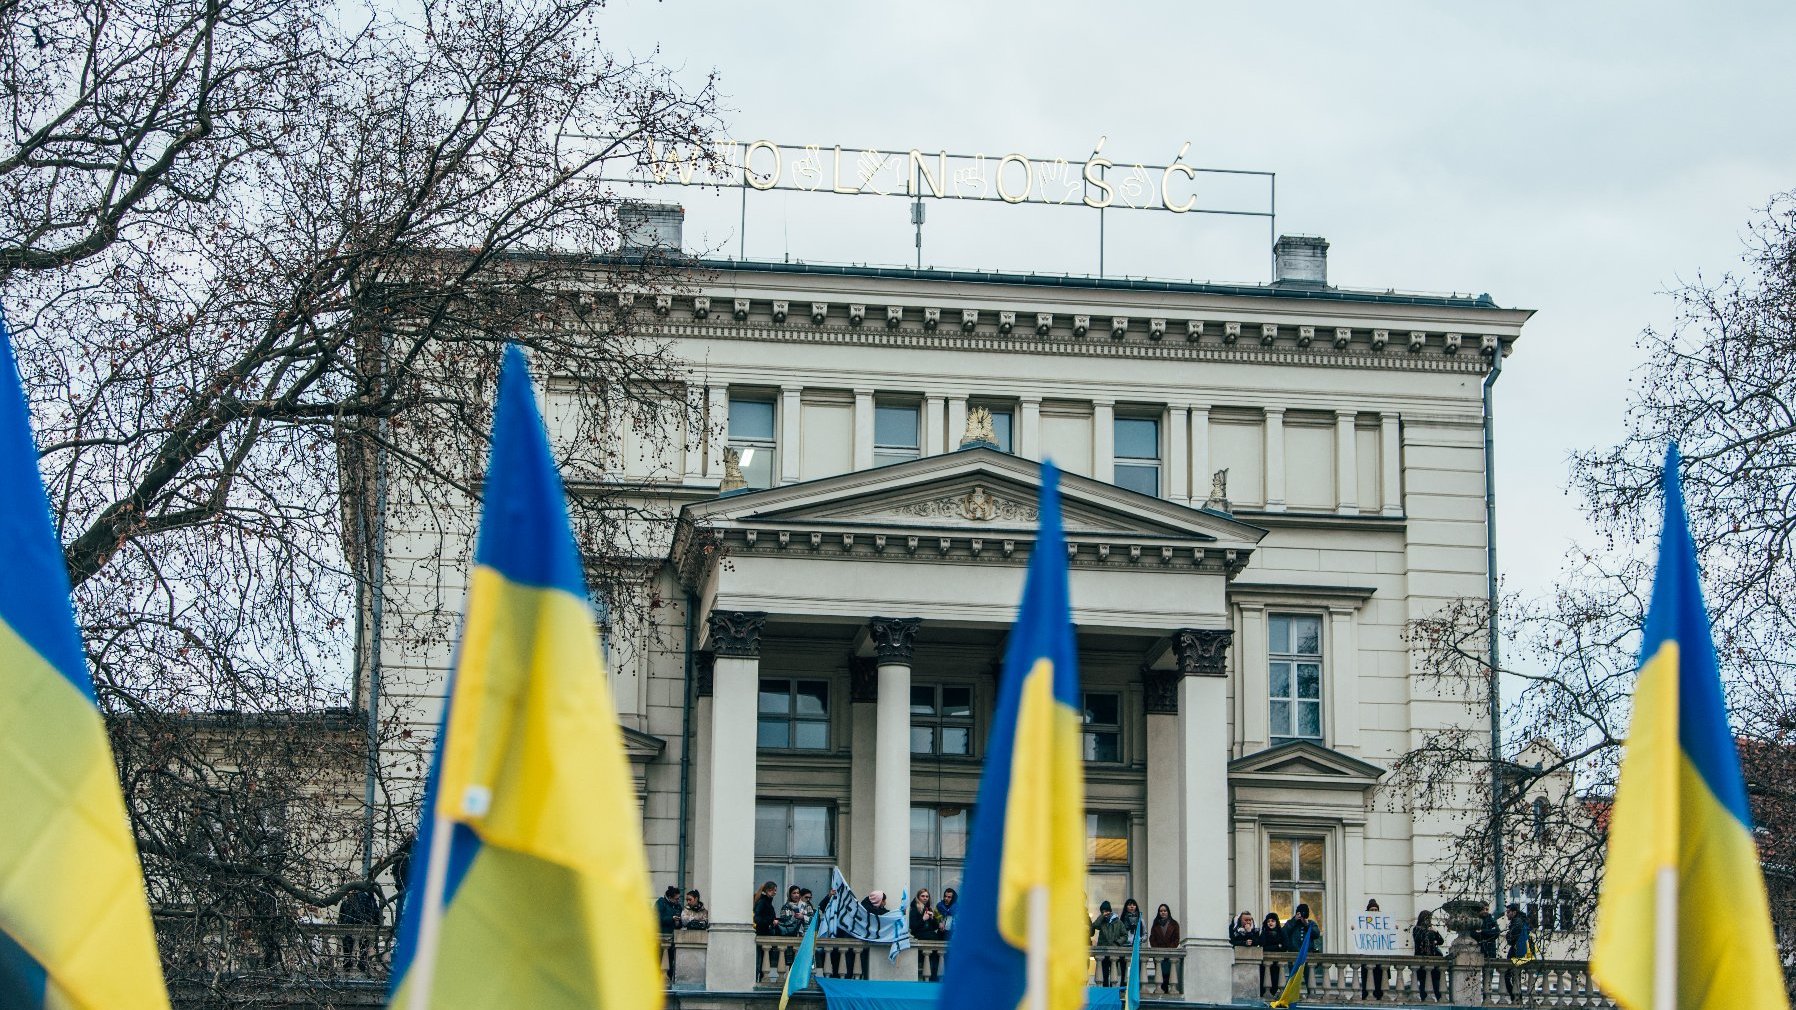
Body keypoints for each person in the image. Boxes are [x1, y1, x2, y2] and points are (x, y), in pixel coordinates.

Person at [337, 885, 380, 973]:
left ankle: (350, 969)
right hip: (364, 934)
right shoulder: (370, 900)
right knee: (362, 957)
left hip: (350, 934)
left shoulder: (349, 901)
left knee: (349, 958)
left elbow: (341, 921)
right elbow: (376, 919)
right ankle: (362, 969)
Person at [1411, 909, 1445, 1002]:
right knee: (1423, 982)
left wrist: (1435, 932)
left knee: (1436, 983)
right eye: (1427, 918)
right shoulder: (1417, 929)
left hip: (1433, 959)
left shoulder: (1431, 929)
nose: (1428, 921)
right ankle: (1424, 1000)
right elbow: (1420, 939)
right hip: (1422, 960)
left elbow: (1441, 941)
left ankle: (1439, 999)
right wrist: (1431, 934)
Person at [1503, 902, 1534, 998]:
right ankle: (1517, 996)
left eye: (1508, 912)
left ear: (1514, 912)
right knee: (1515, 975)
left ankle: (1515, 997)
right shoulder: (1521, 920)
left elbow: (1510, 939)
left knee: (1508, 975)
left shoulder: (1517, 922)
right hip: (1522, 950)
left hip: (1516, 951)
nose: (1507, 914)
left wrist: (1508, 935)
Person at [1151, 904, 1183, 993]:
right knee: (1159, 974)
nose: (1163, 912)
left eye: (1165, 911)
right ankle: (1161, 989)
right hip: (1158, 953)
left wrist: (1169, 949)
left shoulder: (1174, 924)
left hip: (1169, 953)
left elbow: (1177, 939)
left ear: (1168, 912)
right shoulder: (1155, 923)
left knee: (1168, 975)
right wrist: (1157, 948)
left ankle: (1165, 990)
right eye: (1161, 911)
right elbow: (1152, 938)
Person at [1360, 898, 1385, 1001]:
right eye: (1372, 910)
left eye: (1376, 910)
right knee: (1367, 982)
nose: (1374, 912)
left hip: (1380, 958)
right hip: (1367, 958)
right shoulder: (1363, 923)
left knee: (1380, 983)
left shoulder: (1383, 923)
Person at [1259, 912, 1288, 996]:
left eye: (1272, 921)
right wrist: (1277, 946)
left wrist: (1273, 946)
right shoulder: (1264, 933)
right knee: (1264, 982)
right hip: (1265, 964)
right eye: (1268, 921)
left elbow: (1285, 946)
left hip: (1277, 964)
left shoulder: (1282, 932)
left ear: (1276, 922)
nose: (1270, 923)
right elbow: (1262, 947)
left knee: (1275, 982)